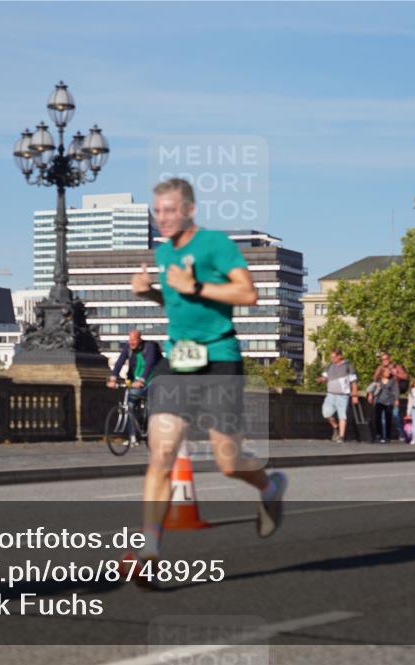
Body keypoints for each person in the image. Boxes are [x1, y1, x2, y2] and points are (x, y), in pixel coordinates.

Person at [126, 178, 287, 575]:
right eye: (157, 210)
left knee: (228, 462)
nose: (161, 218)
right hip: (180, 358)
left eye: (170, 210)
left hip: (218, 356)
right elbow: (179, 301)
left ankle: (269, 488)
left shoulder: (216, 244)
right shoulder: (164, 252)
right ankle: (148, 553)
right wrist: (149, 292)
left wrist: (196, 283)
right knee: (161, 454)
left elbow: (248, 294)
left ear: (190, 210)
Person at [316, 349, 359, 442]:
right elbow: (325, 378)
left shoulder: (348, 366)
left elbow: (354, 381)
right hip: (330, 394)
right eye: (331, 357)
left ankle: (341, 436)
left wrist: (354, 395)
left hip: (343, 395)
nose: (332, 359)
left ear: (340, 356)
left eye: (334, 357)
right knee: (326, 413)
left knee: (342, 416)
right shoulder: (329, 366)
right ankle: (336, 426)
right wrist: (320, 380)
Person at [374, 352, 409, 435]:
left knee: (395, 416)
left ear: (389, 359)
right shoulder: (380, 368)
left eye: (386, 359)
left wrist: (395, 373)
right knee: (383, 417)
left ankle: (401, 433)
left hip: (393, 395)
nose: (384, 361)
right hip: (383, 396)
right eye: (383, 359)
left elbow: (405, 376)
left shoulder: (396, 367)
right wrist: (379, 372)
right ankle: (384, 435)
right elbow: (375, 379)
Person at [368, 366, 398, 442]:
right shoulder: (378, 380)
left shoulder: (392, 380)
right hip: (379, 401)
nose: (389, 372)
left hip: (388, 402)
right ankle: (379, 435)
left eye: (389, 371)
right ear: (382, 373)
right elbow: (371, 388)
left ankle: (388, 436)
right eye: (387, 371)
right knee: (378, 419)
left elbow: (396, 390)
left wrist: (396, 399)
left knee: (388, 419)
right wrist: (371, 395)